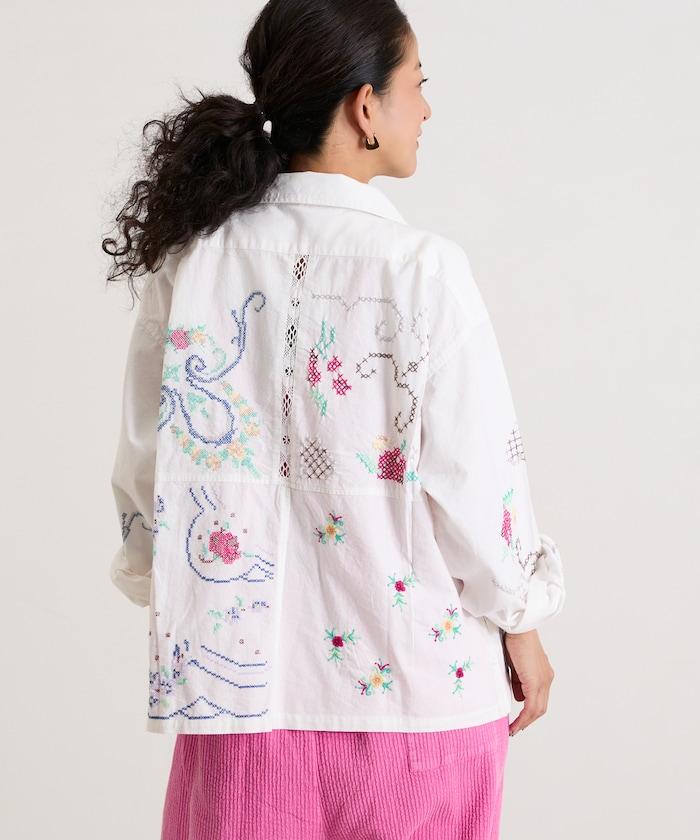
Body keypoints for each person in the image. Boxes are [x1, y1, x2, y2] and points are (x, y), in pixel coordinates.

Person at [103, 1, 566, 838]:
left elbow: (148, 470)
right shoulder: (424, 271)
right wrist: (522, 622)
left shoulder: (193, 262)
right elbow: (477, 485)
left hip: (240, 705)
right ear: (364, 107)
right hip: (419, 704)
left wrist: (172, 590)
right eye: (416, 84)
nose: (426, 109)